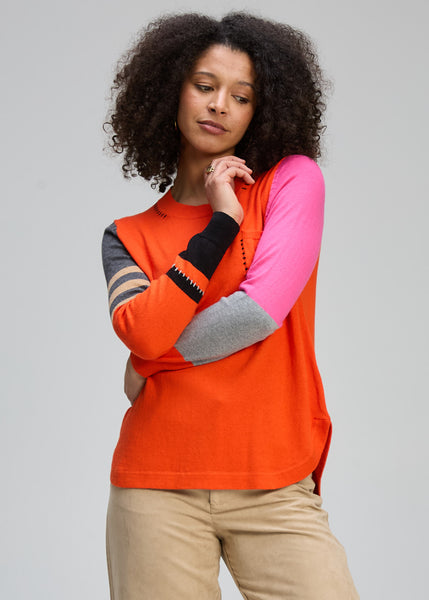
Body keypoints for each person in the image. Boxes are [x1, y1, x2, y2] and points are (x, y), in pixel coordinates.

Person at [102, 12, 359, 600]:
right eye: (204, 86)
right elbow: (142, 330)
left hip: (273, 479)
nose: (220, 105)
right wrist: (221, 223)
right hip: (155, 484)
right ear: (171, 91)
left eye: (241, 96)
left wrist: (149, 364)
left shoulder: (291, 183)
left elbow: (257, 313)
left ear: (259, 111)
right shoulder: (126, 236)